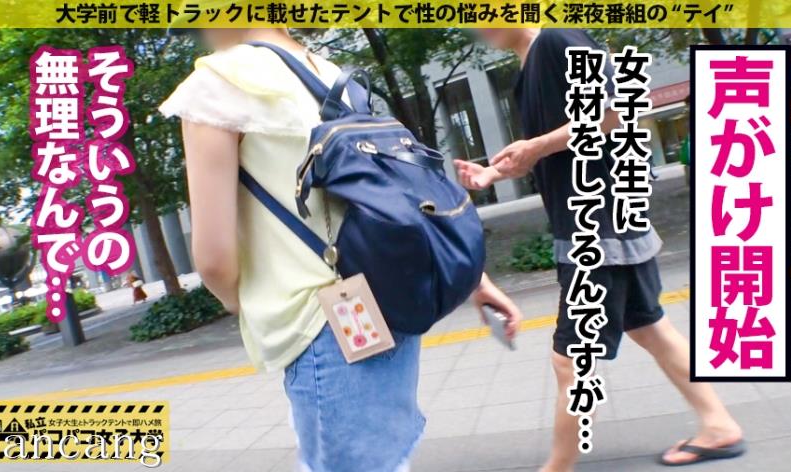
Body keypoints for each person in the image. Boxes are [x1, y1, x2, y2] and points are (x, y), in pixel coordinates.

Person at [159, 27, 523, 472]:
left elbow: (214, 260)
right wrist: (475, 280)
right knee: (386, 459)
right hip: (386, 295)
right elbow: (396, 197)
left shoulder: (216, 83)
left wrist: (245, 301)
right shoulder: (331, 75)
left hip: (324, 322)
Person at [458, 29, 744, 469]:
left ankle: (557, 467)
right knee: (650, 329)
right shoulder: (528, 68)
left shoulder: (556, 42)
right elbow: (564, 146)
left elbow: (619, 108)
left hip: (596, 230)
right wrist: (495, 173)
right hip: (607, 222)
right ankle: (719, 426)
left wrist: (536, 146)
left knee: (570, 362)